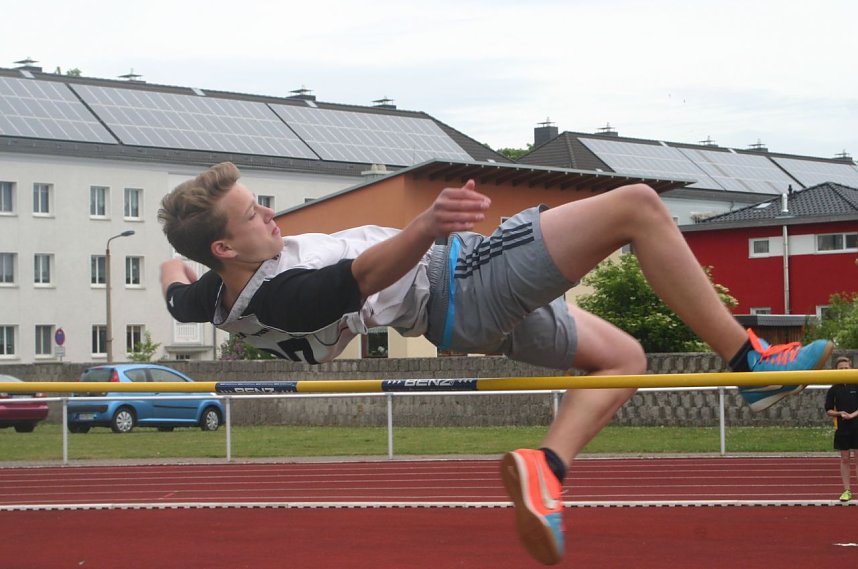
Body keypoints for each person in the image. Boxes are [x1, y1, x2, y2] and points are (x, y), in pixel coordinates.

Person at [158, 162, 833, 565]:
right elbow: (359, 277)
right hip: (459, 278)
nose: (271, 215)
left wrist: (174, 264)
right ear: (225, 243)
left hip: (459, 319)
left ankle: (548, 468)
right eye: (254, 214)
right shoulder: (284, 295)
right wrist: (426, 225)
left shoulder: (211, 296)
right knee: (639, 205)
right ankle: (751, 357)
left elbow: (175, 286)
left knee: (623, 357)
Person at [825, 356, 858, 502]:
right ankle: (847, 490)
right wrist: (840, 413)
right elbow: (828, 410)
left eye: (846, 368)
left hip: (857, 426)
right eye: (841, 368)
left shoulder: (856, 384)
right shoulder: (833, 389)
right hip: (843, 428)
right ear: (836, 371)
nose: (844, 370)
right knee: (845, 459)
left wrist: (852, 415)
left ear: (851, 369)